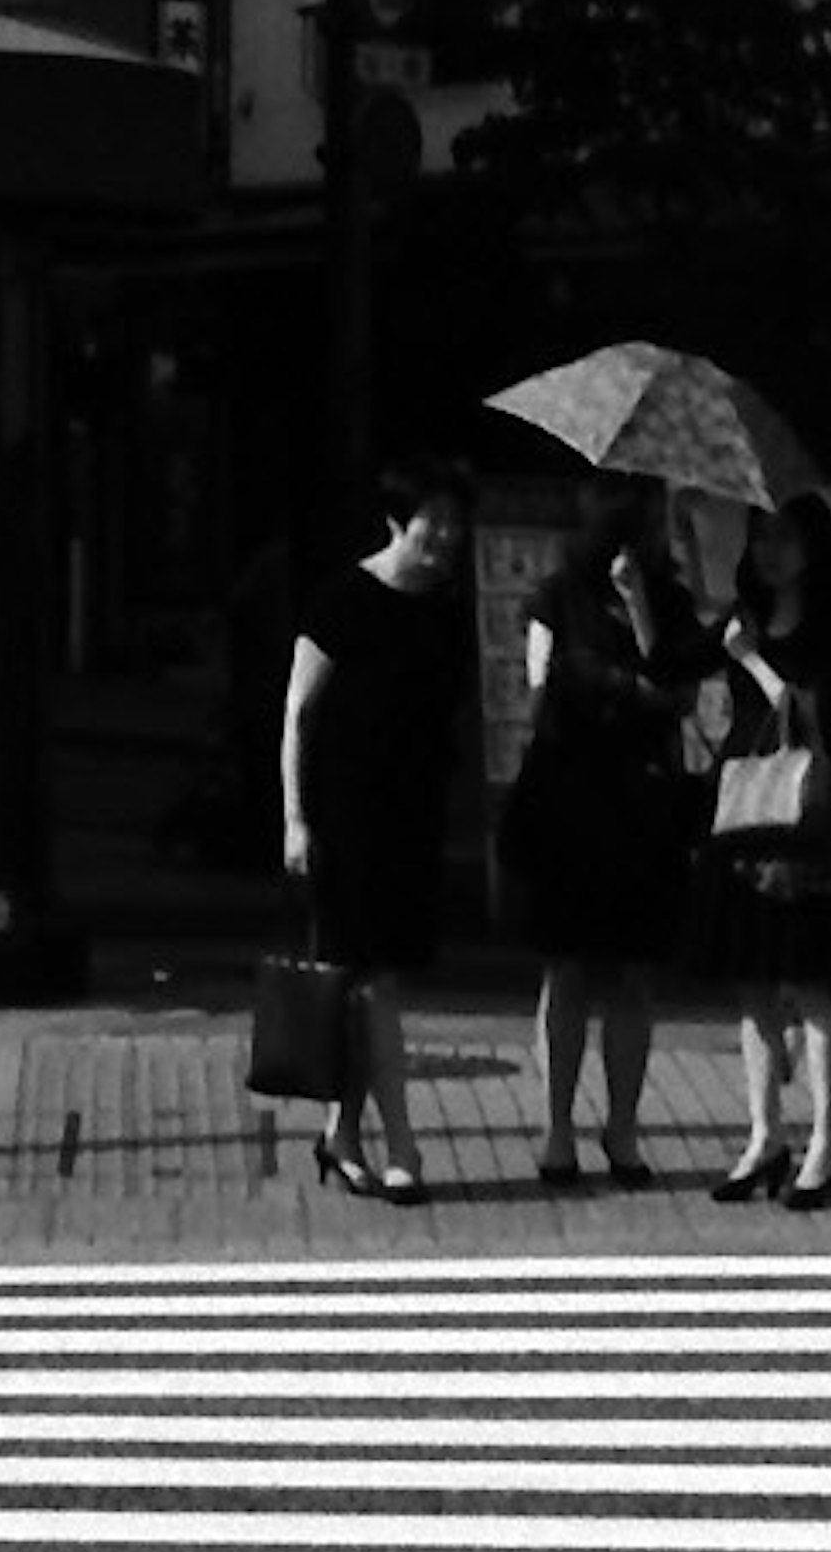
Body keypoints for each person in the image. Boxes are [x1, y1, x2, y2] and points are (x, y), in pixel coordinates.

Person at [279, 452, 478, 1207]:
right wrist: (295, 817)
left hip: (411, 813)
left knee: (363, 990)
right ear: (399, 521)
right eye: (434, 523)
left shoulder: (444, 606)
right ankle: (402, 1147)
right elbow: (298, 713)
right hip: (345, 814)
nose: (446, 538)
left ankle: (341, 1135)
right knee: (373, 985)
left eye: (456, 525)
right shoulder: (344, 600)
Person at [500, 478, 700, 1190]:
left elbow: (680, 693)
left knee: (633, 975)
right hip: (573, 799)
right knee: (569, 968)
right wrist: (625, 689)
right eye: (640, 520)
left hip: (643, 803)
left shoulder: (670, 601)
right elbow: (540, 692)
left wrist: (643, 610)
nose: (648, 536)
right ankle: (558, 1128)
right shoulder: (556, 598)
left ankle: (622, 1128)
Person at [695, 485, 831, 1213]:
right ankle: (765, 1135)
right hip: (742, 815)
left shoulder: (829, 631)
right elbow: (668, 665)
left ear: (811, 552)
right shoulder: (744, 620)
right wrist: (639, 591)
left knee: (811, 987)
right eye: (760, 538)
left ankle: (826, 1144)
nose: (768, 551)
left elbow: (809, 714)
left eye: (784, 540)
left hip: (802, 820)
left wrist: (756, 662)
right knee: (754, 985)